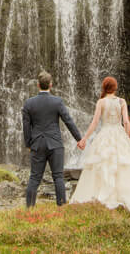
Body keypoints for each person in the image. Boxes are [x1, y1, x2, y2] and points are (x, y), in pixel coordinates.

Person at [69, 76, 130, 212]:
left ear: (104, 87)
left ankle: (100, 195)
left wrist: (84, 138)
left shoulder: (101, 102)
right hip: (119, 134)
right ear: (115, 88)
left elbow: (95, 123)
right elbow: (126, 121)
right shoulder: (121, 101)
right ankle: (125, 195)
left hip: (104, 135)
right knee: (124, 165)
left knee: (103, 164)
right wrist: (127, 138)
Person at [21, 70, 84, 207]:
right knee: (58, 177)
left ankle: (29, 209)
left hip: (37, 143)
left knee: (34, 178)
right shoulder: (57, 101)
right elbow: (68, 121)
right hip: (55, 144)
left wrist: (28, 144)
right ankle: (61, 207)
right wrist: (79, 139)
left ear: (38, 85)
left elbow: (26, 127)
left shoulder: (29, 103)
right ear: (51, 85)